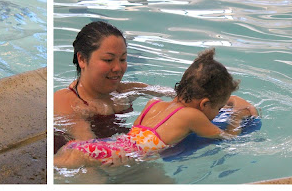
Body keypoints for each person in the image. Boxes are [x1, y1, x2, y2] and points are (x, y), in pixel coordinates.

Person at [54, 48, 258, 168]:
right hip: (116, 156)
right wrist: (238, 117)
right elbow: (226, 137)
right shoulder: (192, 116)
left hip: (96, 146)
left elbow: (132, 135)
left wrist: (227, 100)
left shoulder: (154, 105)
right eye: (218, 107)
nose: (218, 112)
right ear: (204, 104)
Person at [54, 21, 176, 153]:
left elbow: (173, 94)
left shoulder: (122, 90)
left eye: (122, 59)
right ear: (82, 59)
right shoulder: (68, 101)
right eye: (108, 60)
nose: (118, 68)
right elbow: (91, 150)